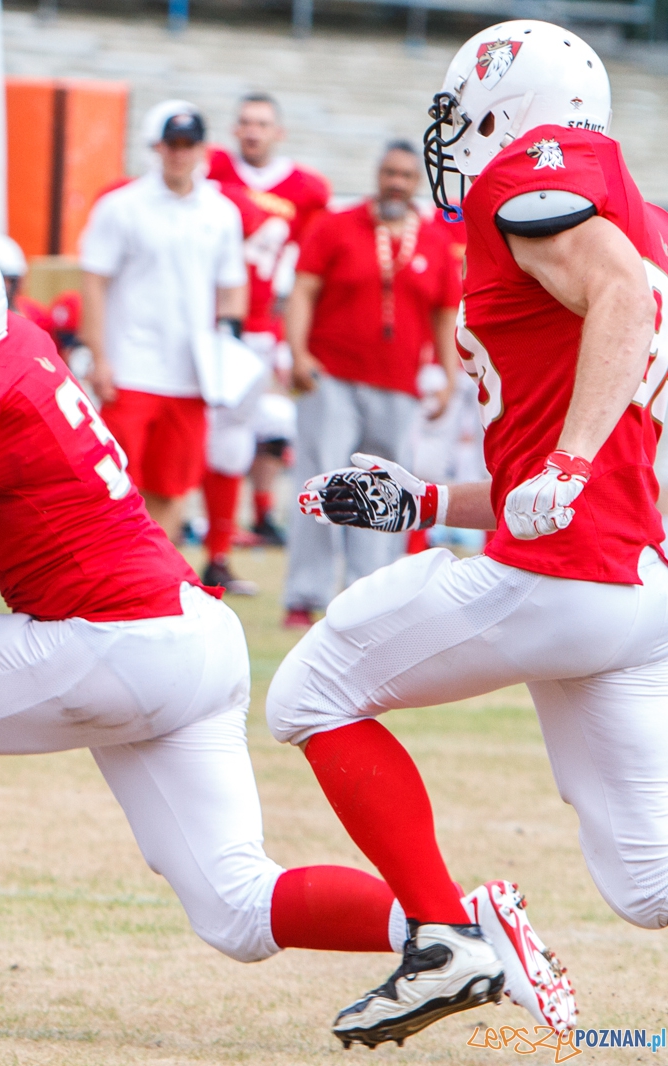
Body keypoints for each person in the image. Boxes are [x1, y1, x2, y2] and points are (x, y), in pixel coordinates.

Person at [0, 220, 566, 1037]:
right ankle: (456, 927)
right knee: (236, 908)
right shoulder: (13, 340)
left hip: (116, 637)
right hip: (192, 633)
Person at [271, 20, 664, 1049]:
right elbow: (565, 464)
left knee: (309, 692)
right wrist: (427, 502)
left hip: (562, 578)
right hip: (631, 586)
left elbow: (619, 299)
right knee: (649, 882)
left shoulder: (534, 177)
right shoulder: (638, 214)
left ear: (506, 106)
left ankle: (446, 936)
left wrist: (569, 461)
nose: (453, 140)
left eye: (462, 116)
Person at [280, 142, 459, 628]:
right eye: (389, 173)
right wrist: (298, 353)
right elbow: (303, 291)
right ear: (377, 175)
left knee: (387, 491)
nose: (396, 183)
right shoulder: (336, 225)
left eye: (406, 175)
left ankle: (370, 596)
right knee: (320, 479)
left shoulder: (434, 242)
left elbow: (445, 315)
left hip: (399, 384)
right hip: (332, 375)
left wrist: (447, 377)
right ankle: (305, 594)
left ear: (417, 183)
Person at [79, 102, 247, 545]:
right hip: (131, 365)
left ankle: (156, 572)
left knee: (172, 486)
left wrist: (227, 352)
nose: (180, 153)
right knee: (116, 482)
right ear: (158, 147)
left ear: (202, 149)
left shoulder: (221, 212)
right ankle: (114, 569)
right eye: (173, 144)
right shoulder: (123, 206)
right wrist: (99, 356)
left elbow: (232, 287)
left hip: (190, 372)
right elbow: (93, 281)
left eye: (188, 144)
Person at [205, 94, 330, 565]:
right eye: (245, 122)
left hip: (256, 326)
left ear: (278, 132)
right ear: (234, 129)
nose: (253, 131)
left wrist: (288, 333)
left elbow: (306, 269)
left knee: (248, 430)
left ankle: (236, 534)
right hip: (203, 319)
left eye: (262, 123)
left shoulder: (305, 189)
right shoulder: (212, 167)